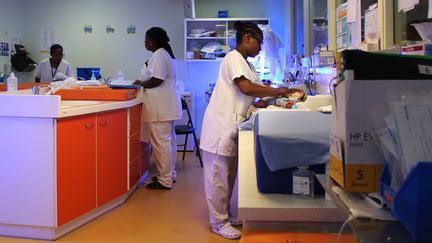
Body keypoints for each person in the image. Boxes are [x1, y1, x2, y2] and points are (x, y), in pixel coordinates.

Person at [199, 21, 305, 239]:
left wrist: (269, 101)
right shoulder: (233, 58)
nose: (260, 47)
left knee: (228, 177)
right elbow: (245, 88)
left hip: (232, 127)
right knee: (217, 178)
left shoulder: (248, 65)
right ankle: (218, 223)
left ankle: (226, 214)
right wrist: (277, 91)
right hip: (219, 127)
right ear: (246, 37)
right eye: (259, 42)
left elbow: (251, 97)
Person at [133, 27, 182, 190]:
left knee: (161, 143)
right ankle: (170, 174)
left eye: (146, 39)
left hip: (160, 107)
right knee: (169, 142)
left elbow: (157, 79)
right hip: (167, 105)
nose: (145, 42)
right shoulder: (166, 54)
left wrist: (141, 83)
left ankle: (165, 180)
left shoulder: (159, 54)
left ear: (153, 41)